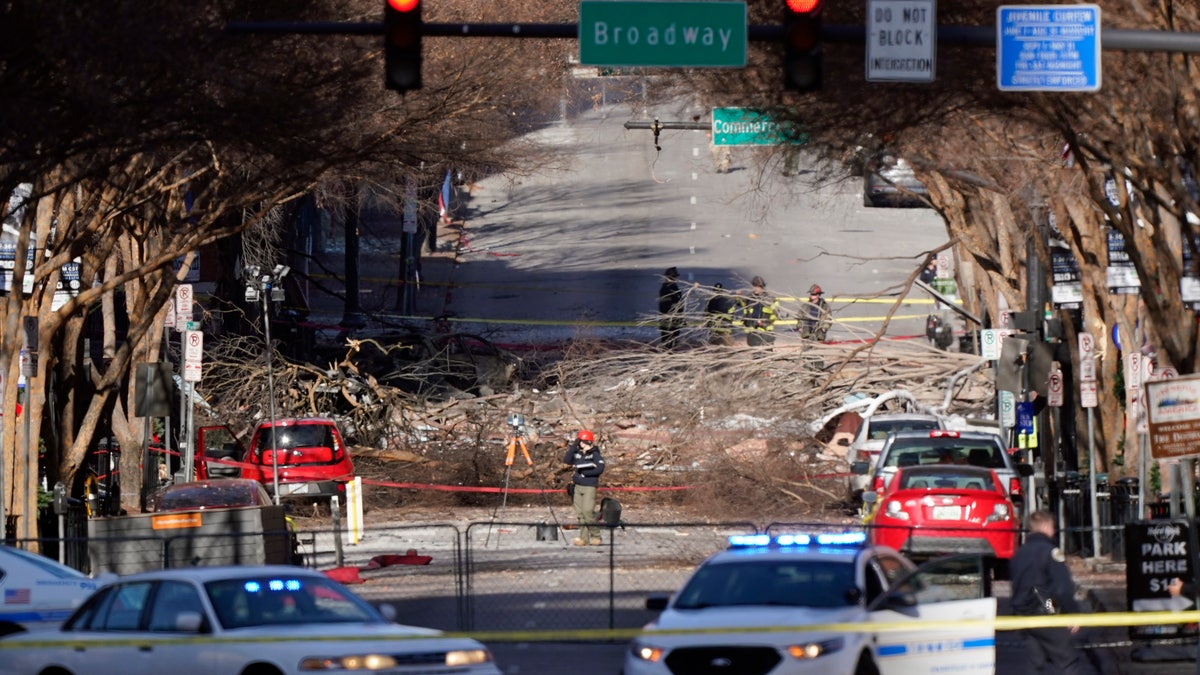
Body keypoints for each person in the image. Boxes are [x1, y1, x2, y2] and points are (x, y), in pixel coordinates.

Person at [1010, 510, 1093, 674]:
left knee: (1035, 664)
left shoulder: (1019, 553)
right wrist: (1070, 613)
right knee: (1067, 662)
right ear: (1047, 526)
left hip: (1023, 617)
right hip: (1046, 613)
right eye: (1053, 527)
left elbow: (1016, 585)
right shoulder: (1050, 552)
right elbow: (1062, 588)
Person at [563, 430, 606, 546]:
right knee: (580, 513)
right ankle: (584, 538)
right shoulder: (578, 453)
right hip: (578, 486)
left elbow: (600, 468)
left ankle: (596, 535)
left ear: (588, 441)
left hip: (589, 486)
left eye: (582, 441)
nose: (580, 443)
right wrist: (574, 445)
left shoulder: (594, 454)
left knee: (587, 511)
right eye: (579, 441)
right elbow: (567, 460)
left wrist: (586, 472)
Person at [739, 276, 778, 348]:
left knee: (766, 352)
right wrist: (739, 297)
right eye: (755, 286)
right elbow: (742, 305)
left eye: (758, 286)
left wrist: (765, 323)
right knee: (755, 353)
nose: (756, 288)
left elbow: (775, 314)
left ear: (762, 287)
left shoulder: (769, 299)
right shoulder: (749, 297)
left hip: (765, 331)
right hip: (752, 330)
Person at [657, 267, 685, 349]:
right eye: (673, 277)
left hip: (674, 319)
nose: (675, 279)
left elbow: (679, 303)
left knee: (674, 340)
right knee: (668, 340)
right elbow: (665, 306)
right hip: (669, 319)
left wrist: (680, 317)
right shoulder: (666, 289)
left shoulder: (673, 287)